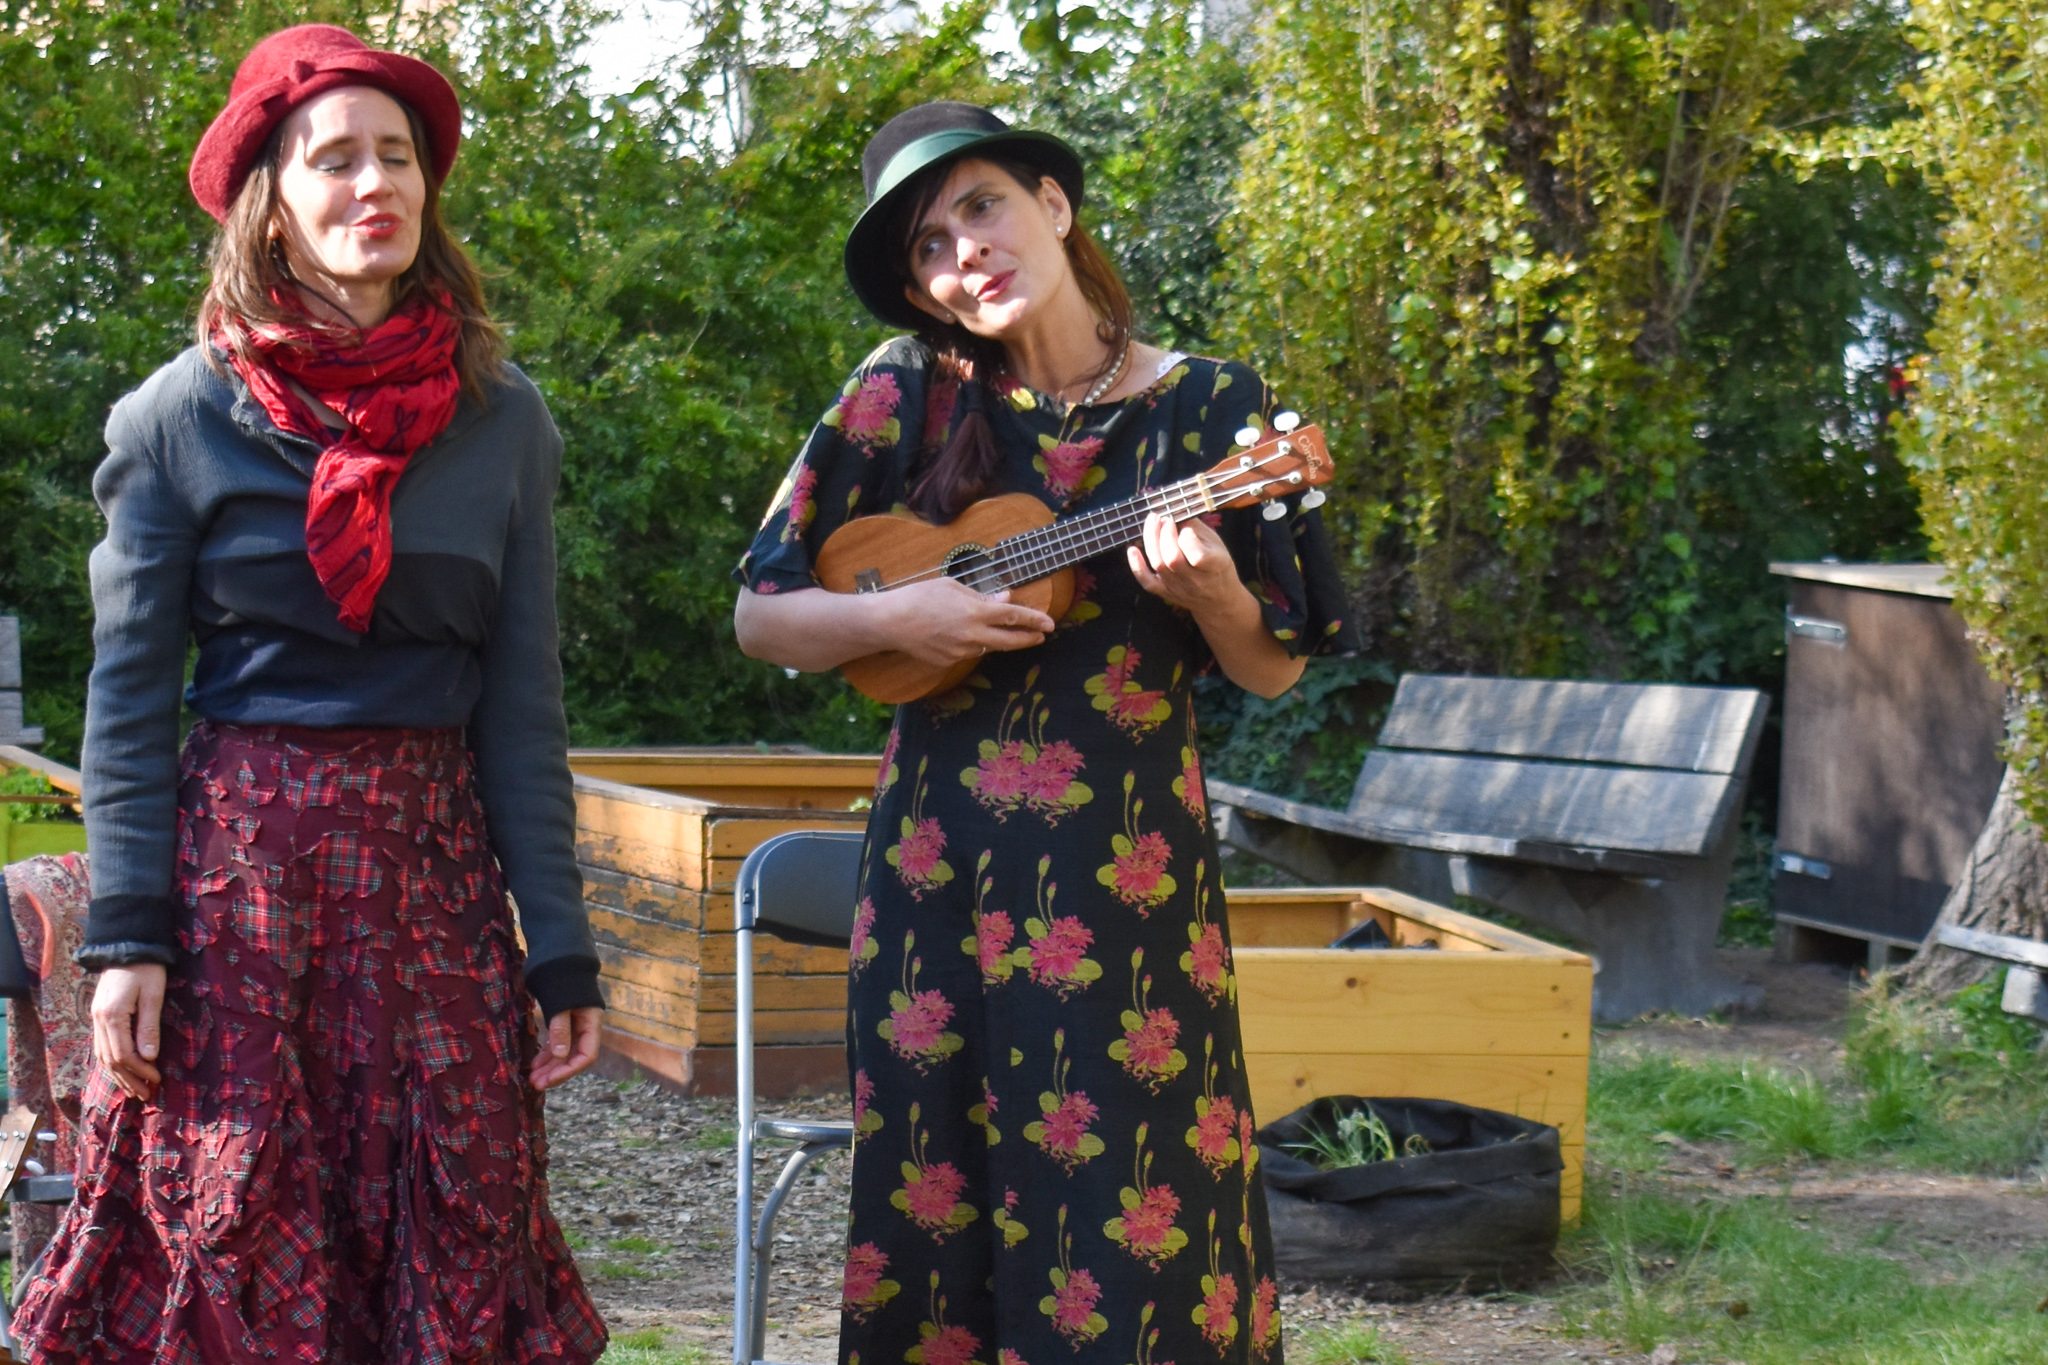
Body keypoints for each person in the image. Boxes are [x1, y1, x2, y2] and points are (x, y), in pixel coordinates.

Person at [13, 25, 608, 1364]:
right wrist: (127, 938)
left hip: (433, 882)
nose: (373, 182)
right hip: (242, 893)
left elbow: (523, 704)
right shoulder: (176, 418)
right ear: (270, 200)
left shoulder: (504, 418)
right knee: (238, 1226)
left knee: (454, 1224)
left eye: (396, 156)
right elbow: (127, 703)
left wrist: (559, 942)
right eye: (333, 158)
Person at [734, 101, 1357, 1365]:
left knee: (1139, 1215)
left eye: (980, 207)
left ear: (1053, 205)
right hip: (933, 880)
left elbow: (1273, 668)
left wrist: (1212, 594)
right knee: (934, 1206)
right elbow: (760, 613)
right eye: (926, 246)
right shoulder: (902, 392)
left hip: (1124, 886)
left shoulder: (1213, 408)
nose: (962, 251)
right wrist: (899, 614)